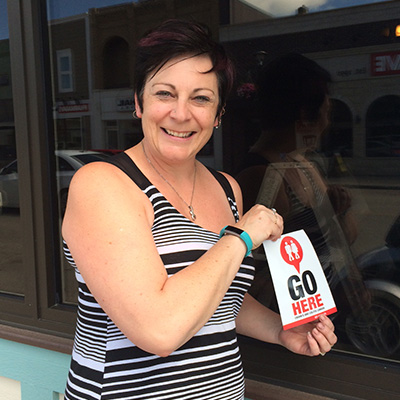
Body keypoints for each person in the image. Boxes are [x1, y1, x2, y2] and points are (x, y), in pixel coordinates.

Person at [62, 21, 336, 400]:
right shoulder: (103, 183)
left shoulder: (227, 188)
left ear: (219, 113)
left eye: (201, 98)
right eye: (165, 94)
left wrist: (279, 330)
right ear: (139, 103)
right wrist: (240, 238)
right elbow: (158, 331)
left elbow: (216, 297)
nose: (180, 113)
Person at [236, 53, 366, 316]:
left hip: (319, 309)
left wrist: (337, 210)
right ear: (306, 115)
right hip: (290, 321)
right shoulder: (261, 176)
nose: (327, 123)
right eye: (326, 113)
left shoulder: (304, 166)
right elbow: (270, 267)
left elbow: (342, 239)